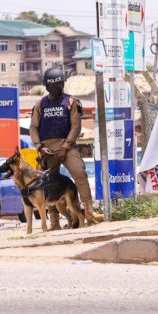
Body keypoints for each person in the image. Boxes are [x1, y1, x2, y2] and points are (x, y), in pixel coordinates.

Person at [30, 67, 100, 227]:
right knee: (47, 183)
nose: (57, 87)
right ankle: (54, 223)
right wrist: (39, 147)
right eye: (53, 85)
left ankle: (89, 214)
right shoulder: (40, 104)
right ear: (46, 86)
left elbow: (76, 126)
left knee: (79, 173)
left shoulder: (71, 102)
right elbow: (33, 127)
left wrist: (66, 147)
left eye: (60, 83)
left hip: (67, 146)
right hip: (46, 149)